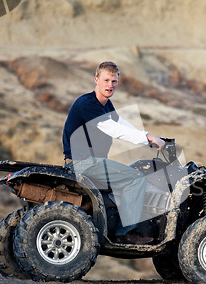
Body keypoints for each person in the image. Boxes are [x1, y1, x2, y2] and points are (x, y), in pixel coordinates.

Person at [62, 61, 164, 244]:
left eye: (114, 81)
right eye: (106, 80)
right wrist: (146, 136)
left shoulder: (106, 105)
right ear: (96, 80)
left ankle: (114, 222)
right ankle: (125, 233)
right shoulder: (87, 104)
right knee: (136, 179)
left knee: (130, 176)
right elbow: (113, 129)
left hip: (90, 162)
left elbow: (121, 124)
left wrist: (148, 138)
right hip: (84, 163)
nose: (110, 85)